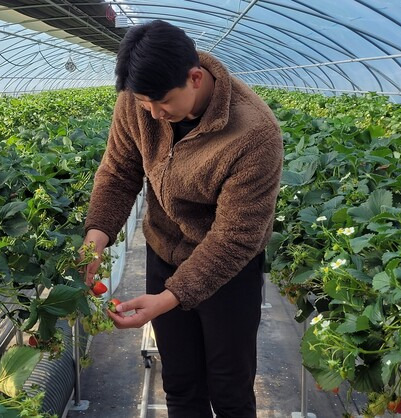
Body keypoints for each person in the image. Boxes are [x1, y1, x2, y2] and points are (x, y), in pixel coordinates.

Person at [81, 20, 283, 418]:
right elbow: (119, 173)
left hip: (228, 273)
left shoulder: (255, 134)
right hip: (163, 253)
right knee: (180, 384)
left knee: (229, 389)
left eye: (163, 103)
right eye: (144, 103)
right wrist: (96, 238)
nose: (153, 113)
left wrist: (168, 300)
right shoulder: (140, 98)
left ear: (194, 77)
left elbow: (235, 238)